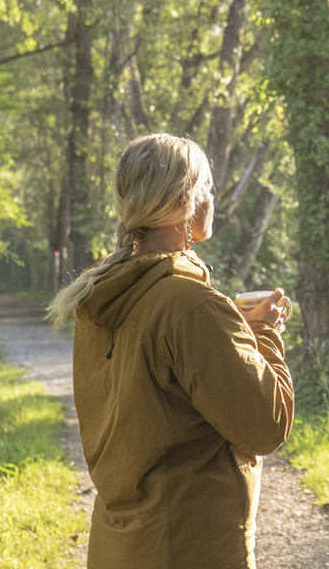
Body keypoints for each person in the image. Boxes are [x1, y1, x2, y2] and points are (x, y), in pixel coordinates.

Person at [48, 132, 294, 569]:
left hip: (119, 545)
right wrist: (268, 335)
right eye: (208, 189)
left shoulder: (100, 296)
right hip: (189, 546)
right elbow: (264, 425)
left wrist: (238, 331)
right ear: (185, 201)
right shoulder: (190, 305)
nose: (213, 198)